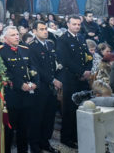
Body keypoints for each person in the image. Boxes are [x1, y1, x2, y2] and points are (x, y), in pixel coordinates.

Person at [0, 26, 40, 153]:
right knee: (8, 130)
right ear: (5, 38)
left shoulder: (25, 50)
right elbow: (5, 73)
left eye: (17, 34)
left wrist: (35, 82)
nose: (16, 37)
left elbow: (33, 67)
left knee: (24, 129)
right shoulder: (0, 52)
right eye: (13, 35)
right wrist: (20, 84)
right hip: (12, 96)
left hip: (27, 95)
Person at [56, 15, 93, 148]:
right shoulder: (62, 39)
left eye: (78, 24)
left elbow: (88, 56)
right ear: (68, 24)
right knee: (70, 110)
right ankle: (66, 137)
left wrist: (88, 69)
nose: (77, 26)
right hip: (70, 79)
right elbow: (65, 60)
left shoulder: (81, 38)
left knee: (82, 107)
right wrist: (81, 72)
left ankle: (78, 135)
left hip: (83, 79)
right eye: (74, 24)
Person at [28, 21, 61, 153]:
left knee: (49, 117)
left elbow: (54, 65)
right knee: (38, 117)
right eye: (41, 29)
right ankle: (35, 145)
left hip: (51, 88)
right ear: (34, 31)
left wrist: (56, 79)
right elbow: (37, 69)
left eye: (46, 29)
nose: (45, 31)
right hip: (40, 87)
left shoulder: (50, 44)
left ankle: (45, 142)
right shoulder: (31, 47)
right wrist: (52, 80)